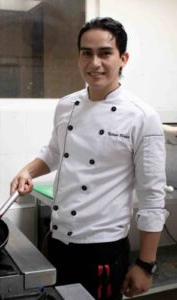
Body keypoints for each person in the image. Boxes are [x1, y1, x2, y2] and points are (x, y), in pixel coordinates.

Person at [10, 17, 169, 300]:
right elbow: (54, 152)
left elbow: (152, 197)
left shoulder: (143, 117)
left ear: (123, 58)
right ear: (79, 57)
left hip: (102, 249)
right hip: (56, 241)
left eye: (105, 53)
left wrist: (146, 264)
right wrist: (28, 171)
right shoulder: (66, 105)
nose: (94, 63)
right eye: (87, 53)